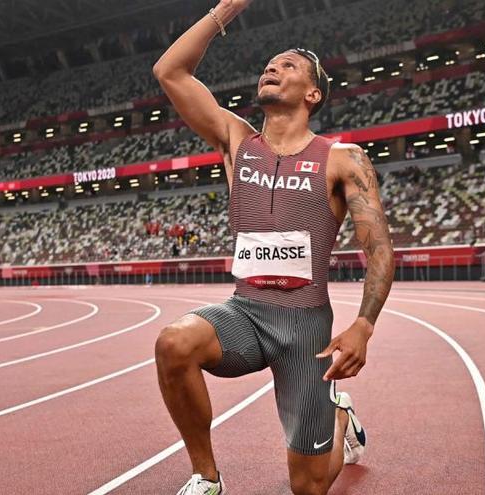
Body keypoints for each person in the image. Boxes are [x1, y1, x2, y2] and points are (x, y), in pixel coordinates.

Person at [151, 1, 395, 493]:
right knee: (173, 342)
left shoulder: (343, 159)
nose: (272, 68)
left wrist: (364, 326)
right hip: (245, 314)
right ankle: (206, 477)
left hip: (305, 329)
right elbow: (169, 71)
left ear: (313, 92)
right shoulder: (236, 141)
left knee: (306, 488)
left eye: (288, 65)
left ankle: (340, 420)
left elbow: (380, 250)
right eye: (269, 64)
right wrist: (227, 9)